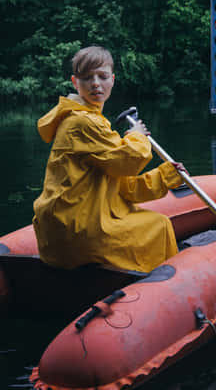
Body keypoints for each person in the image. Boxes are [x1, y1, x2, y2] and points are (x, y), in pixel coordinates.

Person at [32, 46, 185, 273]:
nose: (95, 84)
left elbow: (124, 187)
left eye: (102, 77)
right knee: (159, 225)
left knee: (155, 222)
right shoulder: (83, 123)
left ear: (112, 80)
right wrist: (136, 136)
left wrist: (166, 175)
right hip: (77, 230)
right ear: (75, 82)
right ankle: (163, 286)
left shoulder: (93, 122)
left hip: (66, 229)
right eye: (87, 78)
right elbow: (130, 160)